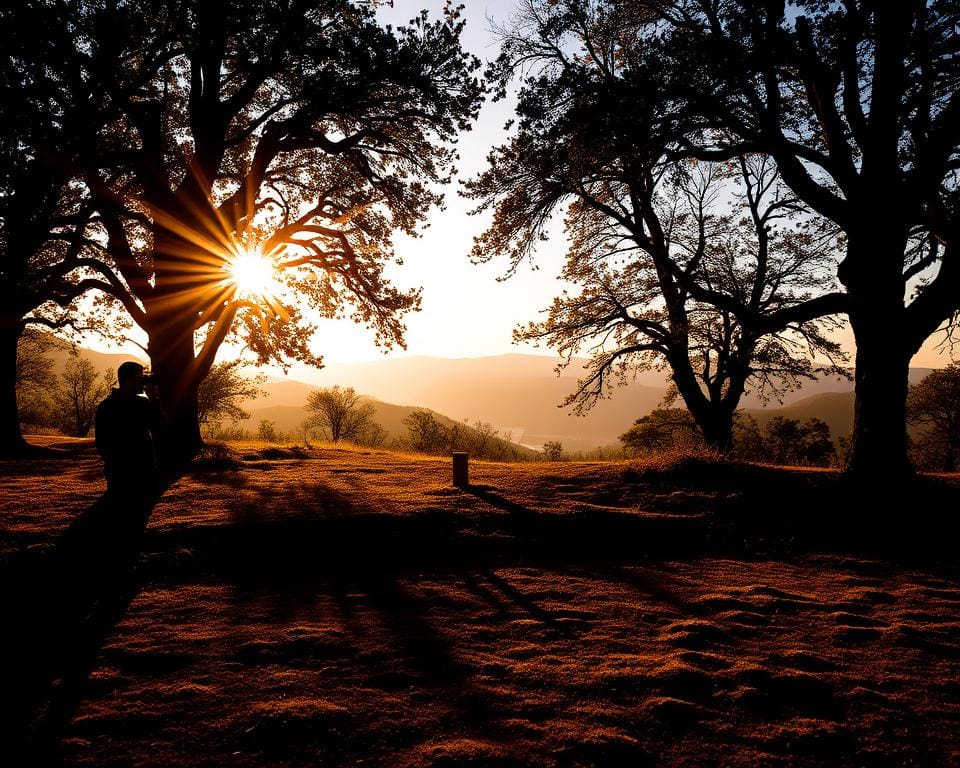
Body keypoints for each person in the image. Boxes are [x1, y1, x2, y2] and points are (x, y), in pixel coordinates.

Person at [94, 361, 165, 505]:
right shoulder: (109, 407)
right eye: (140, 378)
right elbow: (103, 443)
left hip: (139, 472)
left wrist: (154, 400)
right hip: (122, 473)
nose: (143, 382)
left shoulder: (107, 405)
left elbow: (159, 428)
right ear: (129, 379)